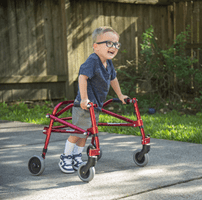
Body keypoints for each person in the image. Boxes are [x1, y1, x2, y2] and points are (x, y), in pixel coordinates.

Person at [59, 26, 128, 173]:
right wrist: (84, 99)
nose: (114, 47)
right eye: (109, 43)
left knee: (86, 133)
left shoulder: (108, 63)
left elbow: (113, 79)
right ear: (96, 47)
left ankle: (77, 156)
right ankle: (65, 157)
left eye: (116, 44)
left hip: (95, 107)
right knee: (78, 132)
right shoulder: (93, 60)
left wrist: (120, 95)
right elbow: (82, 77)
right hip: (83, 106)